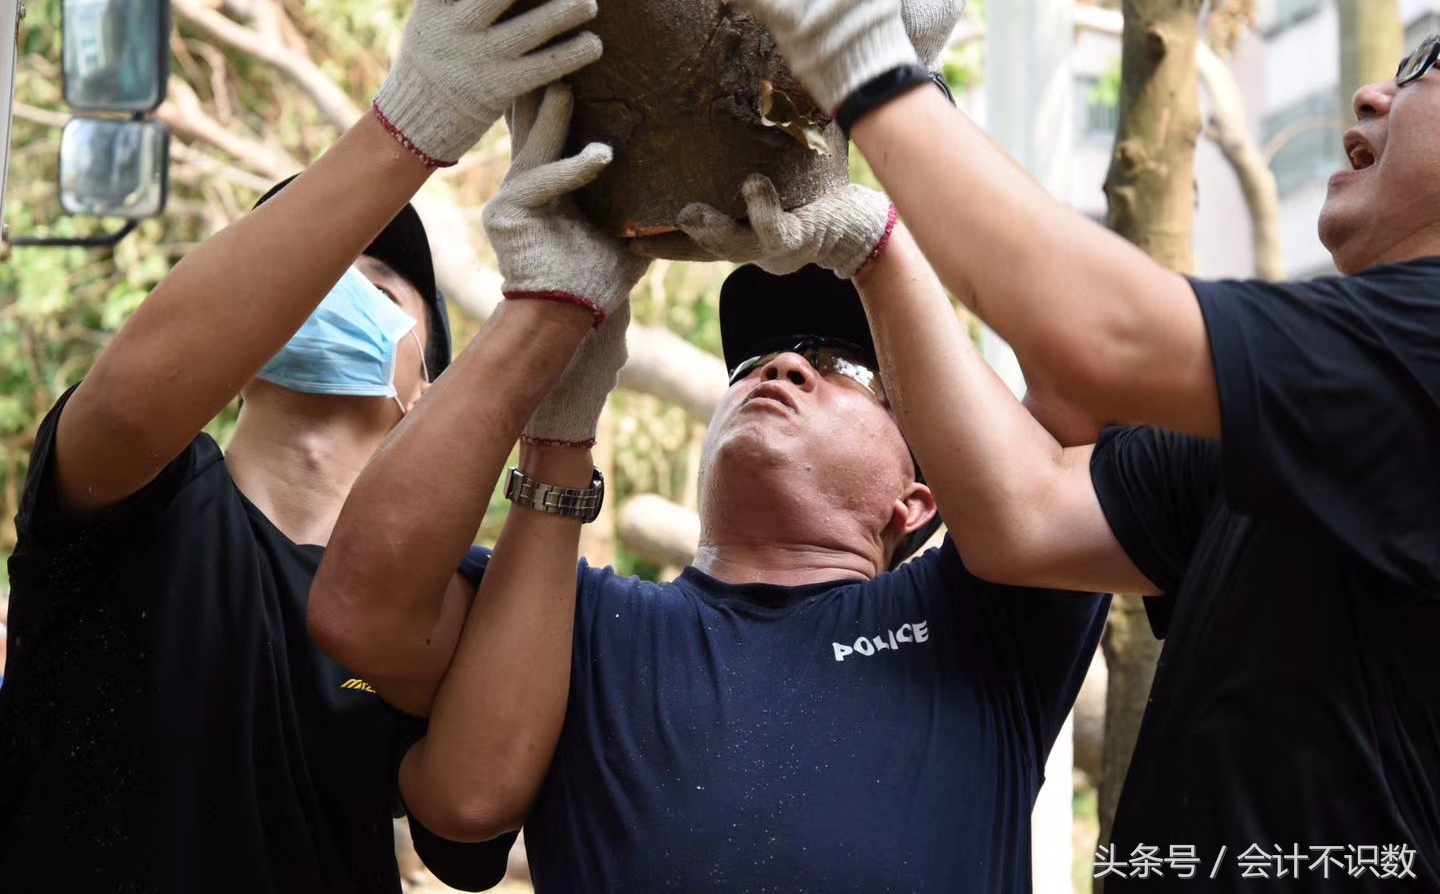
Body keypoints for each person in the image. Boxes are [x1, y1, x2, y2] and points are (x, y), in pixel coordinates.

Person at [708, 0, 1440, 888]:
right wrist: (881, 236)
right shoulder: (1307, 420)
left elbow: (1089, 335)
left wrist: (876, 69)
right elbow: (1027, 511)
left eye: (1428, 68)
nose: (1376, 94)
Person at [309, 67, 1108, 889]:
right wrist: (542, 321)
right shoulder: (572, 624)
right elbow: (360, 619)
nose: (786, 367)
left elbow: (1090, 372)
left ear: (917, 502)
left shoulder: (981, 620)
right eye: (757, 360)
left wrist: (892, 100)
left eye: (843, 371)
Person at [0, 0, 599, 889]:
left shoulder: (442, 605)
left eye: (378, 283)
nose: (333, 288)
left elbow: (472, 807)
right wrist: (414, 120)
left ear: (427, 395)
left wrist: (562, 373)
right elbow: (124, 407)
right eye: (314, 277)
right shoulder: (143, 500)